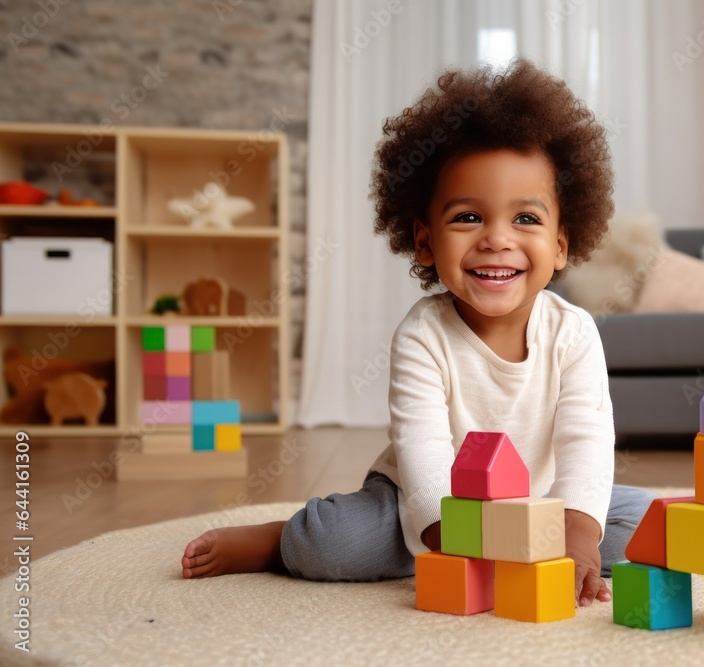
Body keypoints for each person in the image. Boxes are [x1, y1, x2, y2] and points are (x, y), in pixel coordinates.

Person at [181, 58, 654, 607]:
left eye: (526, 219)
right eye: (468, 218)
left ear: (562, 244)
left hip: (533, 500)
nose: (497, 239)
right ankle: (277, 539)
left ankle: (559, 536)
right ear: (426, 243)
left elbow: (585, 442)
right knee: (333, 545)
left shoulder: (574, 332)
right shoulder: (423, 335)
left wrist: (576, 538)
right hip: (425, 506)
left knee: (643, 522)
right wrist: (475, 553)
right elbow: (426, 459)